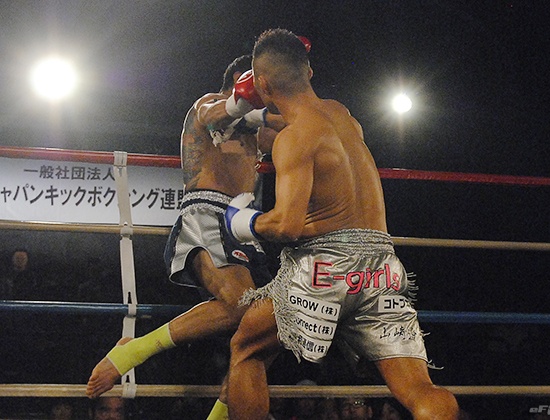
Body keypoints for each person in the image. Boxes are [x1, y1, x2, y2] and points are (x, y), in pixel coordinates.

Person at [223, 29, 460, 420]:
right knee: (419, 389)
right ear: (309, 71)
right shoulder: (342, 115)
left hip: (325, 268)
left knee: (246, 349)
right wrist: (260, 118)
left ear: (262, 85)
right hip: (382, 267)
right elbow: (314, 139)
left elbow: (287, 225)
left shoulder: (293, 139)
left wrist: (243, 222)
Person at [86, 54, 284, 418]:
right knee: (243, 305)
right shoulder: (208, 104)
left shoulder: (257, 126)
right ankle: (135, 350)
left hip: (245, 225)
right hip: (207, 213)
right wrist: (249, 100)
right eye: (266, 81)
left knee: (275, 323)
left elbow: (290, 127)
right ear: (243, 79)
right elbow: (217, 115)